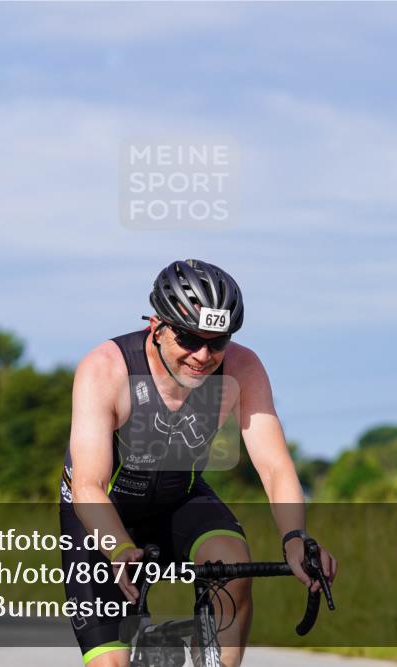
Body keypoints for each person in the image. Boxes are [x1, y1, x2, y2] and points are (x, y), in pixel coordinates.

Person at [59, 259, 337, 667]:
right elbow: (88, 485)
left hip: (179, 498)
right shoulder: (105, 369)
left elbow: (275, 466)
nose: (204, 355)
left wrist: (295, 537)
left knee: (234, 567)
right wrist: (118, 549)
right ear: (156, 325)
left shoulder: (242, 367)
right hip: (102, 514)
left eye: (217, 341)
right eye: (189, 339)